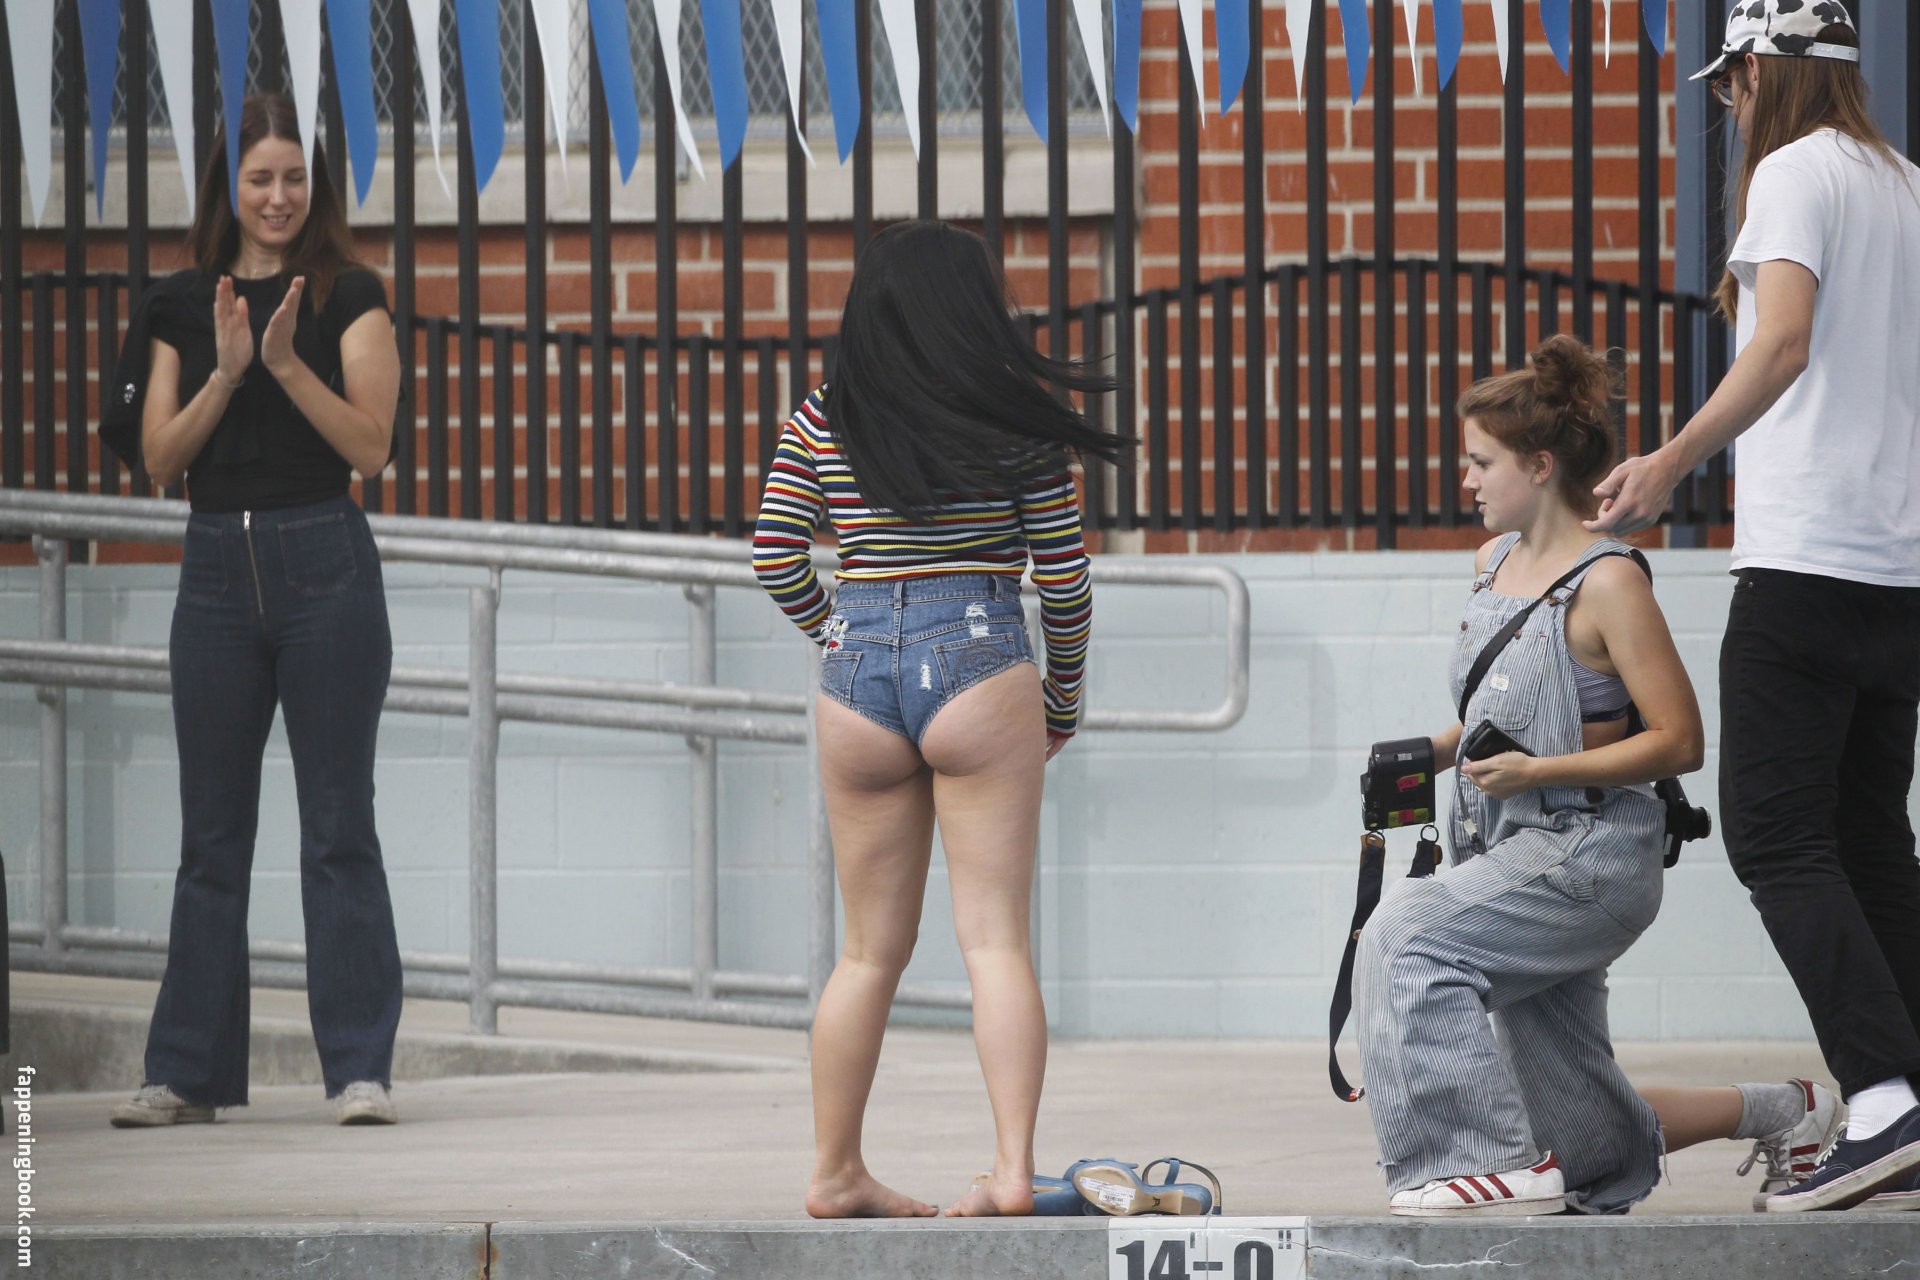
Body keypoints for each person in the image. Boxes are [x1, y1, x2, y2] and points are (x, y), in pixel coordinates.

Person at [1587, 2, 1920, 1210]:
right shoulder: (1906, 185)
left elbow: (1781, 344)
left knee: (1777, 836)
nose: (1729, 103)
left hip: (1805, 563)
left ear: (1766, 73)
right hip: (1898, 570)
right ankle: (1910, 1094)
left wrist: (1671, 460)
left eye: (1733, 81)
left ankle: (1881, 1096)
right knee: (1871, 839)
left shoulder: (1793, 174)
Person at [752, 221, 1128, 1217]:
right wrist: (1061, 700)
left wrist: (838, 631)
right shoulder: (1013, 418)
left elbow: (775, 555)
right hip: (978, 656)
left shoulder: (823, 415)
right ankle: (1010, 1171)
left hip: (857, 675)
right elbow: (1065, 581)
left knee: (866, 952)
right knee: (995, 940)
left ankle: (835, 1171)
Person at [100, 94, 404, 1129]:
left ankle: (359, 1069)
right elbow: (159, 457)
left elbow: (371, 446)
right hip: (215, 574)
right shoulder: (180, 303)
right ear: (228, 187)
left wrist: (283, 364)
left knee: (338, 826)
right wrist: (229, 374)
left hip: (325, 562)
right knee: (212, 836)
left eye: (294, 178)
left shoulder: (350, 293)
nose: (278, 197)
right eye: (260, 178)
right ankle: (186, 1074)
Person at [1353, 336, 1708, 1216]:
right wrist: (1431, 754)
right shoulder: (1492, 565)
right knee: (1574, 1125)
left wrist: (1541, 770)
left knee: (1404, 939)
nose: (1467, 479)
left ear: (1540, 466)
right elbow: (1493, 716)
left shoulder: (1610, 583)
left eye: (1482, 462)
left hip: (1588, 857)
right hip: (1505, 848)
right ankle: (1788, 1110)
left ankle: (1475, 1161)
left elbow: (1680, 741)